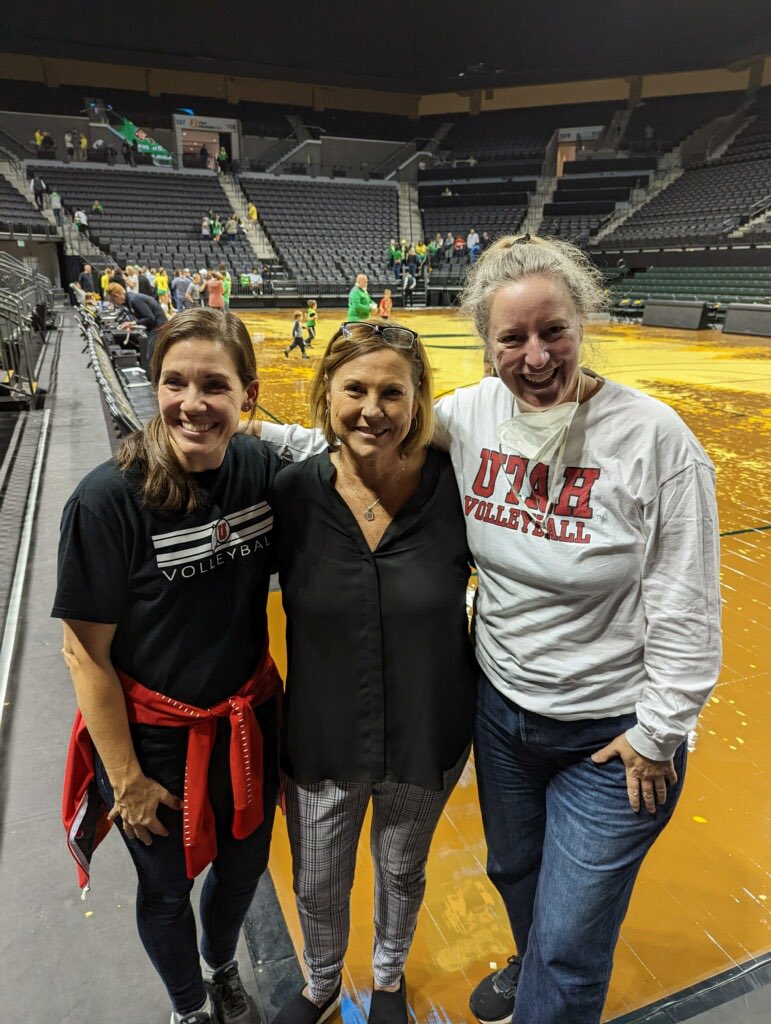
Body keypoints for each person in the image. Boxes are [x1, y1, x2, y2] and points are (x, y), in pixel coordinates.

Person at [251, 235, 722, 1024]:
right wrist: (233, 429)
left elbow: (686, 602)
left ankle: (547, 978)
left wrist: (660, 730)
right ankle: (528, 961)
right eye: (512, 338)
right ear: (484, 344)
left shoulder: (653, 440)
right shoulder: (468, 417)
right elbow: (362, 437)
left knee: (571, 938)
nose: (534, 357)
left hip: (612, 732)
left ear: (583, 323)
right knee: (515, 876)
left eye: (553, 333)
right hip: (503, 715)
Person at [56, 309, 282, 1024]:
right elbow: (82, 651)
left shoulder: (261, 471)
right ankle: (189, 1009)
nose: (192, 402)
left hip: (248, 721)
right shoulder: (106, 500)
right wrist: (125, 781)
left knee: (243, 870)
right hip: (152, 742)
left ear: (247, 394)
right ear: (154, 386)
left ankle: (219, 968)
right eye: (174, 381)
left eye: (213, 385)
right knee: (163, 890)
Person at [266, 319, 476, 1024]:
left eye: (394, 392)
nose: (372, 409)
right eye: (354, 388)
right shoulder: (290, 494)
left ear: (419, 401)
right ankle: (322, 982)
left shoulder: (459, 487)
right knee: (319, 881)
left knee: (400, 871)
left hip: (426, 732)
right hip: (323, 735)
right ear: (326, 393)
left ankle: (388, 979)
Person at [106, 282, 168, 371]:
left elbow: (150, 318)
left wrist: (133, 323)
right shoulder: (129, 300)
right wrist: (133, 325)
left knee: (151, 357)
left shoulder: (135, 300)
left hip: (160, 328)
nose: (115, 304)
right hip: (154, 327)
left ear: (116, 296)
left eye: (113, 300)